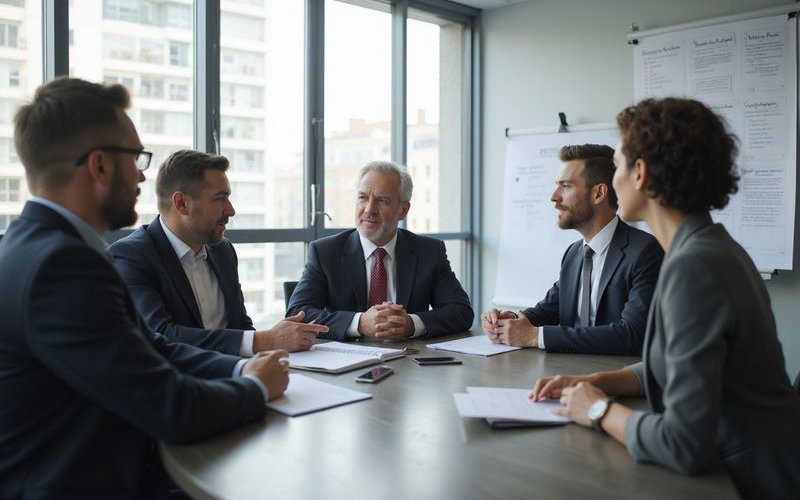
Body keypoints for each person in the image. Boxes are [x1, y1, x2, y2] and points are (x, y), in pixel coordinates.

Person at [0, 77, 289, 499]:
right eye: (135, 157)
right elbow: (171, 408)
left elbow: (149, 343)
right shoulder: (61, 267)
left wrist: (239, 367)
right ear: (99, 165)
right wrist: (256, 387)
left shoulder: (37, 245)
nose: (140, 173)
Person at [531, 98, 800, 499]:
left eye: (620, 165)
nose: (616, 179)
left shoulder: (695, 267)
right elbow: (675, 364)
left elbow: (682, 443)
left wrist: (596, 409)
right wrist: (596, 382)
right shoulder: (708, 247)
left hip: (745, 479)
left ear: (639, 173)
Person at [109, 150, 327, 356]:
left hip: (235, 372)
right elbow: (162, 335)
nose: (230, 210)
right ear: (182, 203)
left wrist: (270, 344)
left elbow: (240, 325)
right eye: (220, 199)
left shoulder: (222, 251)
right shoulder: (131, 256)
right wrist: (265, 340)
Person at [481, 144, 663, 355]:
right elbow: (548, 310)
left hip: (614, 377)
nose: (554, 197)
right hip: (567, 372)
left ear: (599, 193)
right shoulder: (574, 253)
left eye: (566, 186)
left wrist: (534, 336)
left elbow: (632, 334)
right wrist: (508, 321)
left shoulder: (645, 252)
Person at [287, 160, 474, 341]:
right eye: (362, 198)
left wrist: (411, 324)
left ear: (403, 210)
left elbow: (461, 311)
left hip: (410, 362)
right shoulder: (326, 252)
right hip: (346, 364)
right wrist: (359, 323)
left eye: (382, 200)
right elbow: (297, 313)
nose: (369, 209)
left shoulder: (430, 252)